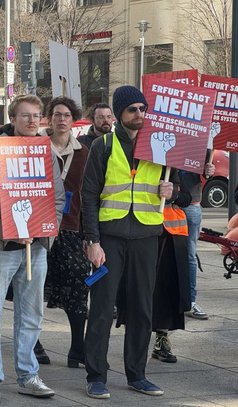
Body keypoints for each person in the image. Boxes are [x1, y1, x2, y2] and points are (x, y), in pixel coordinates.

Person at [82, 85, 174, 399]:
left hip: (146, 237)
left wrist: (172, 191)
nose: (139, 114)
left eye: (143, 109)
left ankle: (137, 374)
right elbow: (88, 196)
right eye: (132, 109)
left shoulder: (161, 146)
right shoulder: (103, 145)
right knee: (102, 309)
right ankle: (96, 376)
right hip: (109, 239)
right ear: (119, 113)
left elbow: (183, 192)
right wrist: (92, 241)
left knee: (141, 309)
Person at [0, 95, 65, 402]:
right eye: (25, 115)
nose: (32, 120)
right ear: (12, 119)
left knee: (32, 314)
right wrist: (12, 230)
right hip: (1, 248)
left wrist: (45, 230)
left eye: (37, 115)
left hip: (36, 248)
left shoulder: (46, 154)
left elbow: (57, 200)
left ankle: (28, 374)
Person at [37, 97, 91, 368]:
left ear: (73, 119)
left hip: (70, 227)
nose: (61, 119)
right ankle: (33, 343)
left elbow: (89, 194)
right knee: (34, 286)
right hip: (38, 227)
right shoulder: (35, 147)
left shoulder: (84, 152)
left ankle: (77, 348)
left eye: (66, 115)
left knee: (78, 285)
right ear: (49, 118)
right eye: (57, 114)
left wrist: (90, 235)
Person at [147, 196, 191, 364]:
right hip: (141, 230)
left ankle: (161, 338)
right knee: (139, 288)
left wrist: (173, 193)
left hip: (170, 234)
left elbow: (186, 198)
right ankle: (136, 338)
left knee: (166, 288)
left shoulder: (176, 177)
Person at [181, 157, 214, 320]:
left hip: (191, 204)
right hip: (166, 203)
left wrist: (208, 171)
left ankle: (190, 301)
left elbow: (205, 171)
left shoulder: (202, 145)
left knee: (190, 255)